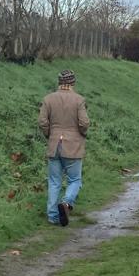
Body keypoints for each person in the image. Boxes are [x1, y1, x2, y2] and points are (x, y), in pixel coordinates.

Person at [38, 69, 89, 226]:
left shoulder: (48, 99)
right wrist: (81, 133)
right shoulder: (79, 100)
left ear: (59, 82)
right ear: (72, 82)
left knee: (54, 181)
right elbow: (84, 122)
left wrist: (49, 134)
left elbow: (42, 121)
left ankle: (53, 216)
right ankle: (66, 203)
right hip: (73, 146)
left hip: (54, 145)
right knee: (75, 179)